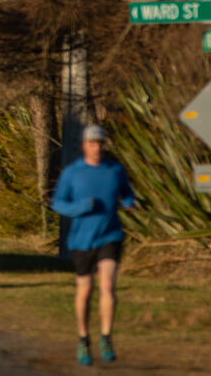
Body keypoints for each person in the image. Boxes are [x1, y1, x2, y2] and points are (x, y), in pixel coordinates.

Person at [52, 123, 135, 366]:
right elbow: (58, 203)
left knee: (107, 286)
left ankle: (106, 337)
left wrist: (129, 203)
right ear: (84, 146)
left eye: (100, 143)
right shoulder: (72, 172)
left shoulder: (115, 170)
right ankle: (83, 338)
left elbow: (127, 193)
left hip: (110, 236)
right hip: (81, 240)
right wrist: (80, 207)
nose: (96, 148)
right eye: (92, 143)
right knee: (85, 290)